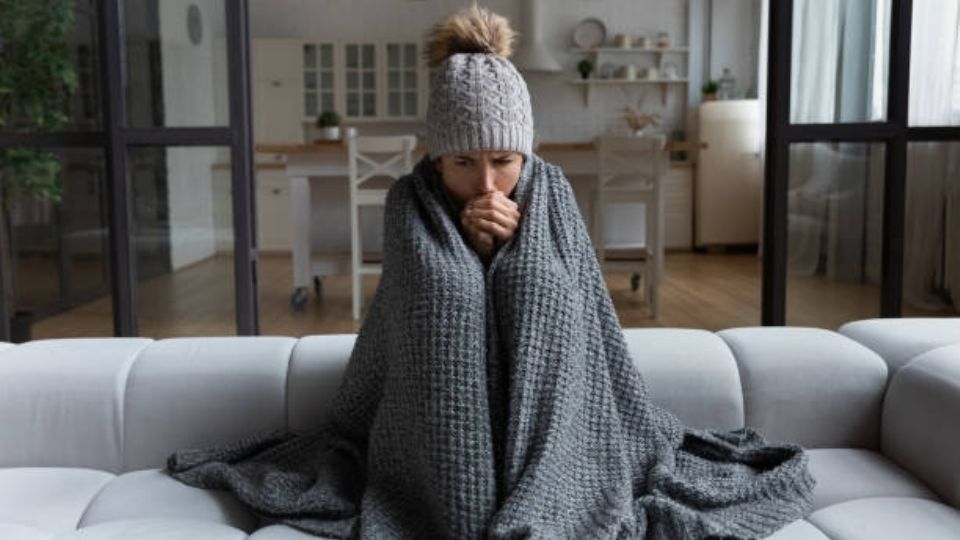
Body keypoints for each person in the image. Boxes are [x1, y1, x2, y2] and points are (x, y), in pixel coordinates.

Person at [166, 5, 815, 539]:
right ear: (436, 160)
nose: (486, 182)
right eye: (462, 164)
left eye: (503, 160)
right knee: (448, 295)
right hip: (426, 442)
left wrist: (514, 257)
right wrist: (471, 258)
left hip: (562, 415)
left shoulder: (551, 193)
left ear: (524, 152)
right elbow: (423, 315)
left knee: (537, 285)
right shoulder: (408, 203)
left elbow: (578, 314)